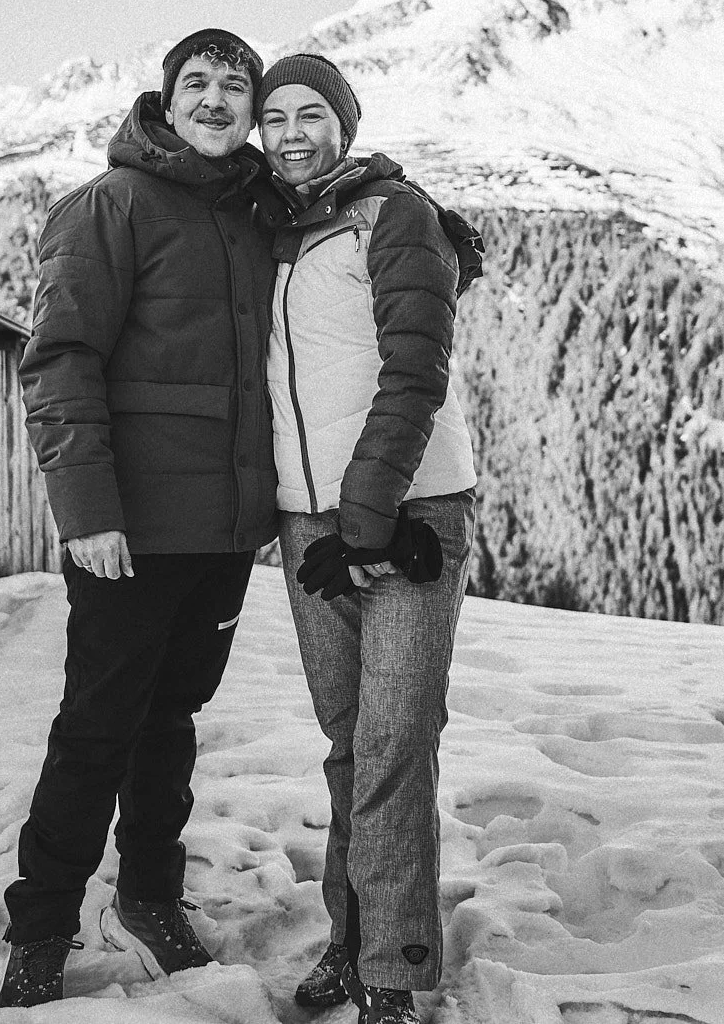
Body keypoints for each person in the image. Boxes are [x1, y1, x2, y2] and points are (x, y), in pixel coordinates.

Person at [0, 29, 280, 1008]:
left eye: (232, 86)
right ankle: (39, 924)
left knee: (171, 720)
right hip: (126, 530)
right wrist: (86, 511)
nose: (213, 100)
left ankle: (150, 896)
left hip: (222, 533)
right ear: (163, 101)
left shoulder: (257, 215)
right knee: (96, 727)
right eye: (194, 84)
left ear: (253, 105)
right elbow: (58, 360)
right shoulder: (108, 207)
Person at [257, 53, 478, 1024]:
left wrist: (366, 521)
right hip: (311, 521)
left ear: (344, 123)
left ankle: (392, 968)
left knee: (393, 743)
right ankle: (348, 942)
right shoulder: (269, 230)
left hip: (406, 514)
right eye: (275, 116)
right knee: (349, 743)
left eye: (312, 113)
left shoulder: (394, 215)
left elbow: (414, 370)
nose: (292, 131)